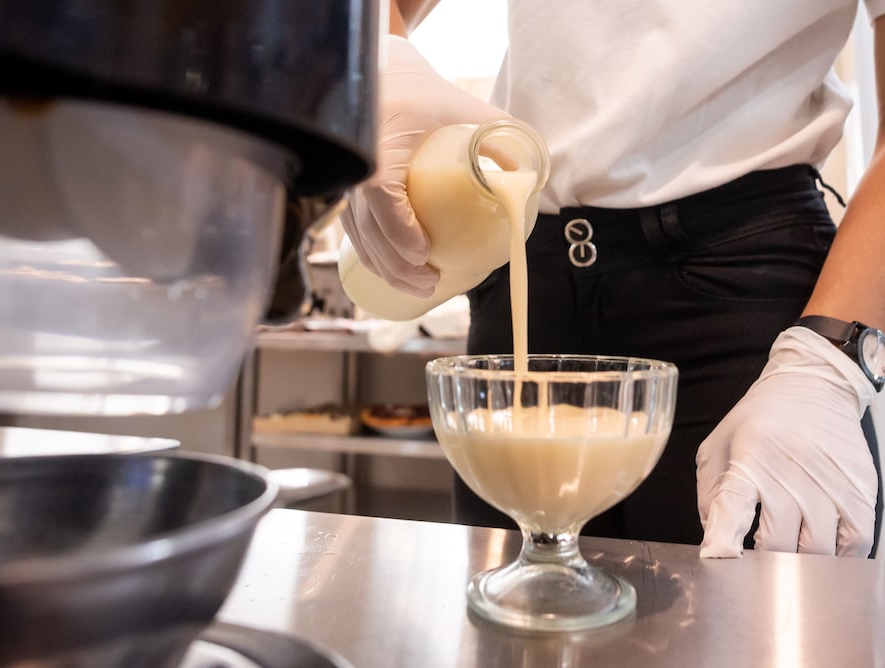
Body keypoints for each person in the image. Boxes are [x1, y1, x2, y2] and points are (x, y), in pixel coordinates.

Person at [342, 0, 885, 558]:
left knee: (743, 600)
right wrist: (380, 65)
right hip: (524, 266)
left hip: (742, 291)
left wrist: (827, 362)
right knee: (516, 604)